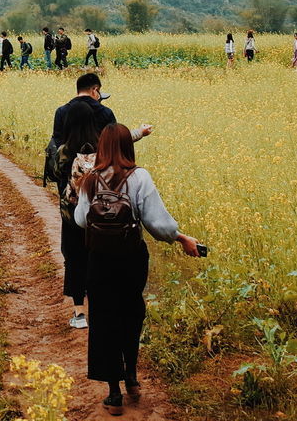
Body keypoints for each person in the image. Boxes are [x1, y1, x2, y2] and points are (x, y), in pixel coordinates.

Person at [74, 124, 203, 414]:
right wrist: (181, 238)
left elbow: (82, 220)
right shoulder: (139, 177)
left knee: (104, 320)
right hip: (131, 258)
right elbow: (158, 224)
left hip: (99, 260)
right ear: (128, 146)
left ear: (102, 147)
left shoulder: (90, 180)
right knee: (131, 313)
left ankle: (113, 393)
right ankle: (131, 376)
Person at [55, 100, 155, 331]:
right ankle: (106, 309)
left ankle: (79, 313)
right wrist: (140, 131)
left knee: (74, 259)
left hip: (73, 216)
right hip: (102, 216)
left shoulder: (64, 149)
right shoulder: (103, 146)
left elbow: (54, 173)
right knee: (96, 259)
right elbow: (120, 140)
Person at [45, 73, 152, 180]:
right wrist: (140, 132)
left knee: (68, 195)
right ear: (94, 90)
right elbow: (114, 139)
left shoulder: (61, 111)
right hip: (99, 171)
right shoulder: (105, 112)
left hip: (68, 171)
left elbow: (58, 141)